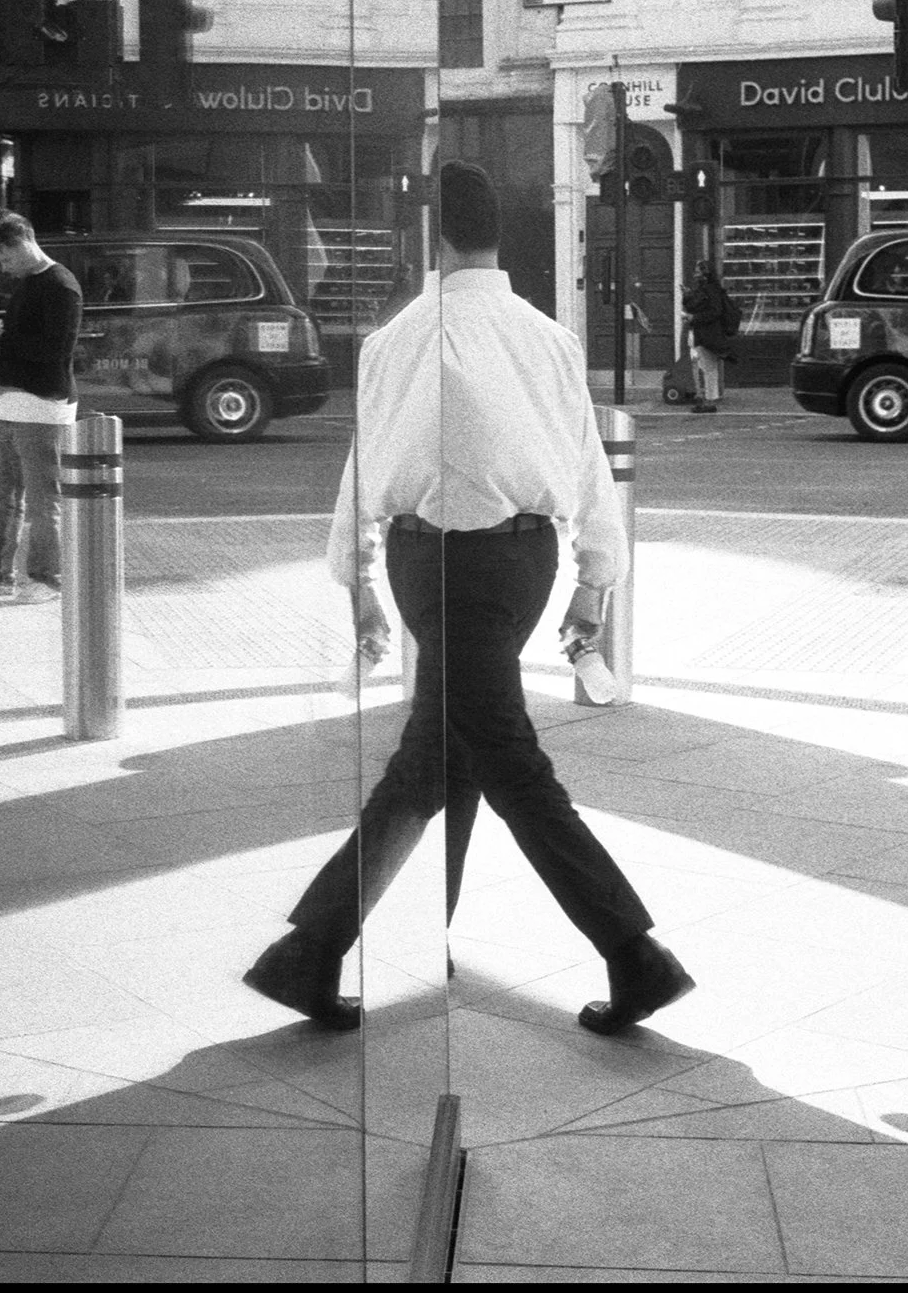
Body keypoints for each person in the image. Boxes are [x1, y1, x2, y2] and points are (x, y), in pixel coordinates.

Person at [243, 160, 694, 1036]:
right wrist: (593, 582)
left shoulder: (394, 341)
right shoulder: (548, 339)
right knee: (442, 758)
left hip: (428, 566)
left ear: (434, 235)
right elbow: (587, 465)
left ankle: (635, 957)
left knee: (495, 763)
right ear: (497, 235)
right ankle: (324, 950)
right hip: (522, 563)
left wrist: (357, 586)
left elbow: (363, 468)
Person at [0, 213, 82, 603]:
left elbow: (56, 350)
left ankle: (47, 577)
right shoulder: (32, 283)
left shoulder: (61, 286)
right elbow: (31, 338)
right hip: (16, 402)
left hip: (42, 403)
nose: (4, 268)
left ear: (23, 242)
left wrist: (3, 338)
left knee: (42, 498)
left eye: (5, 258)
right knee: (5, 496)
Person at [680, 263, 736, 414]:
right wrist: (687, 295)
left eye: (697, 272)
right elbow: (695, 306)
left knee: (708, 368)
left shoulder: (711, 290)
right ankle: (706, 398)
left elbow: (714, 312)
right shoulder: (705, 289)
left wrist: (693, 317)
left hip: (708, 333)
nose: (695, 275)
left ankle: (709, 401)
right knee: (704, 366)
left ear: (705, 274)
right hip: (701, 332)